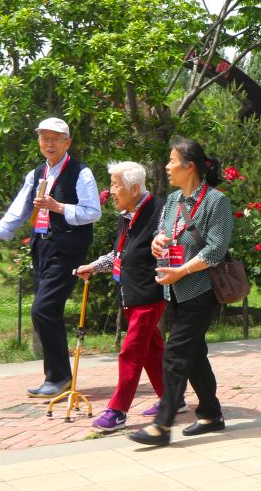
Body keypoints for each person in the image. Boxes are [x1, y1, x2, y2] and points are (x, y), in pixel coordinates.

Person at [0, 118, 101, 398]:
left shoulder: (81, 172)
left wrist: (58, 207)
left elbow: (93, 212)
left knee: (42, 309)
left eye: (55, 138)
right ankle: (58, 377)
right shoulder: (36, 174)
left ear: (67, 143)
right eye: (44, 138)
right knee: (49, 311)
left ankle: (58, 377)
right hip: (41, 247)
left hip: (68, 249)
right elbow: (18, 210)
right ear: (39, 142)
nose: (49, 144)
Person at [128, 138, 234, 447]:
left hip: (201, 291)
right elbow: (162, 232)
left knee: (174, 355)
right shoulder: (173, 200)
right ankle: (211, 415)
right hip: (173, 291)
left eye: (172, 161)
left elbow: (215, 250)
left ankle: (162, 425)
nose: (167, 167)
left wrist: (182, 271)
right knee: (195, 354)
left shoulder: (216, 202)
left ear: (189, 167)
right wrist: (157, 242)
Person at [76, 162, 185, 432]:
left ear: (135, 188)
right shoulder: (126, 215)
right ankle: (173, 398)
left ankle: (118, 410)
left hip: (150, 292)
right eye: (111, 184)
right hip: (130, 292)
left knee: (131, 351)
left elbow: (174, 245)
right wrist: (95, 266)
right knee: (151, 350)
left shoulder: (161, 211)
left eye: (116, 185)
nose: (111, 191)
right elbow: (121, 253)